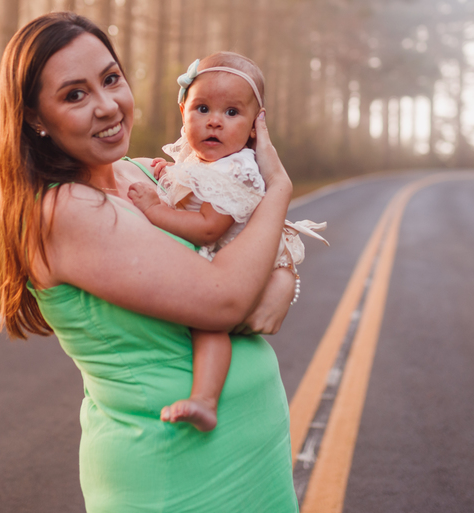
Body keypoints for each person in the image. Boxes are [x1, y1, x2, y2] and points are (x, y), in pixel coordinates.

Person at [0, 12, 301, 513]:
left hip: (253, 465)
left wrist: (284, 278)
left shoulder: (137, 173)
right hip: (176, 483)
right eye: (74, 95)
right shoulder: (63, 211)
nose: (108, 106)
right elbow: (225, 297)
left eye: (111, 79)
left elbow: (241, 231)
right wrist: (281, 190)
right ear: (34, 118)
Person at [126, 53, 326, 433]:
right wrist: (169, 173)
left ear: (255, 126)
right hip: (226, 260)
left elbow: (207, 228)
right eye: (202, 108)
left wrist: (154, 209)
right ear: (183, 110)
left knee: (208, 324)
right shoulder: (204, 159)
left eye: (232, 112)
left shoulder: (239, 169)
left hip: (241, 265)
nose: (214, 120)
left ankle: (204, 398)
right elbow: (194, 182)